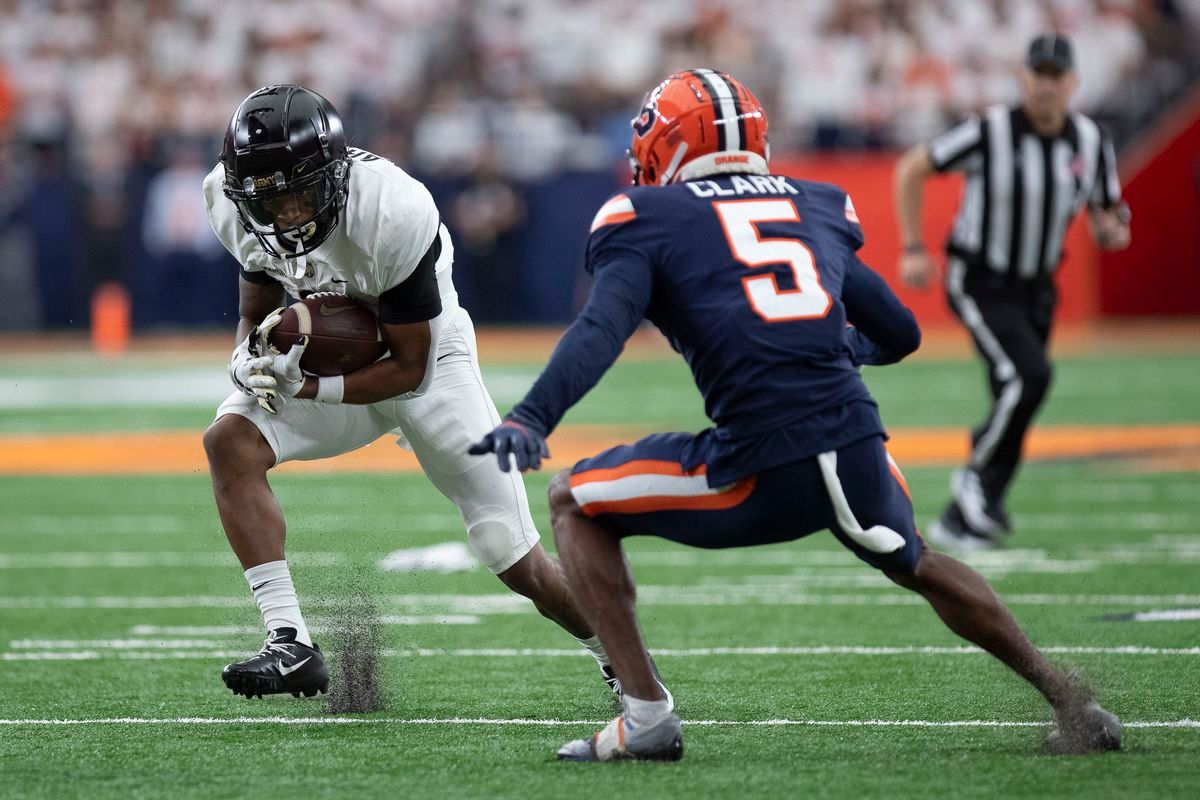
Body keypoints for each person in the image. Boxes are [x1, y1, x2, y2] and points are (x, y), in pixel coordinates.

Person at [470, 69, 1121, 761]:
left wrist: (532, 417)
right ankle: (1074, 702)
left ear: (671, 146)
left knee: (574, 500)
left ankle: (647, 717)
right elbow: (901, 332)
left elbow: (601, 330)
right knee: (918, 562)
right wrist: (833, 348)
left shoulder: (644, 218)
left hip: (759, 464)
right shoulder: (815, 203)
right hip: (855, 439)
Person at [202, 85, 613, 700]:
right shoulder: (229, 202)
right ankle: (289, 641)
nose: (286, 212)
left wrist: (310, 382)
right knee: (229, 442)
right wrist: (247, 356)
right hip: (330, 356)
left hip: (426, 358)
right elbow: (256, 301)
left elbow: (410, 367)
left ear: (333, 176)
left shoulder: (392, 208)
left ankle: (618, 656)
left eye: (298, 193)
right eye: (269, 199)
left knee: (509, 549)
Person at [894, 34, 1132, 550]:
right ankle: (977, 474)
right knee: (1029, 377)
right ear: (1023, 78)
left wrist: (1113, 229)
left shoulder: (1091, 142)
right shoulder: (990, 132)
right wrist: (913, 246)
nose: (1046, 86)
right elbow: (912, 167)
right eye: (1038, 75)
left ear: (1073, 82)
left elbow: (1108, 210)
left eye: (1056, 76)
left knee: (1016, 394)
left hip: (1038, 286)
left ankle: (964, 516)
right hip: (979, 278)